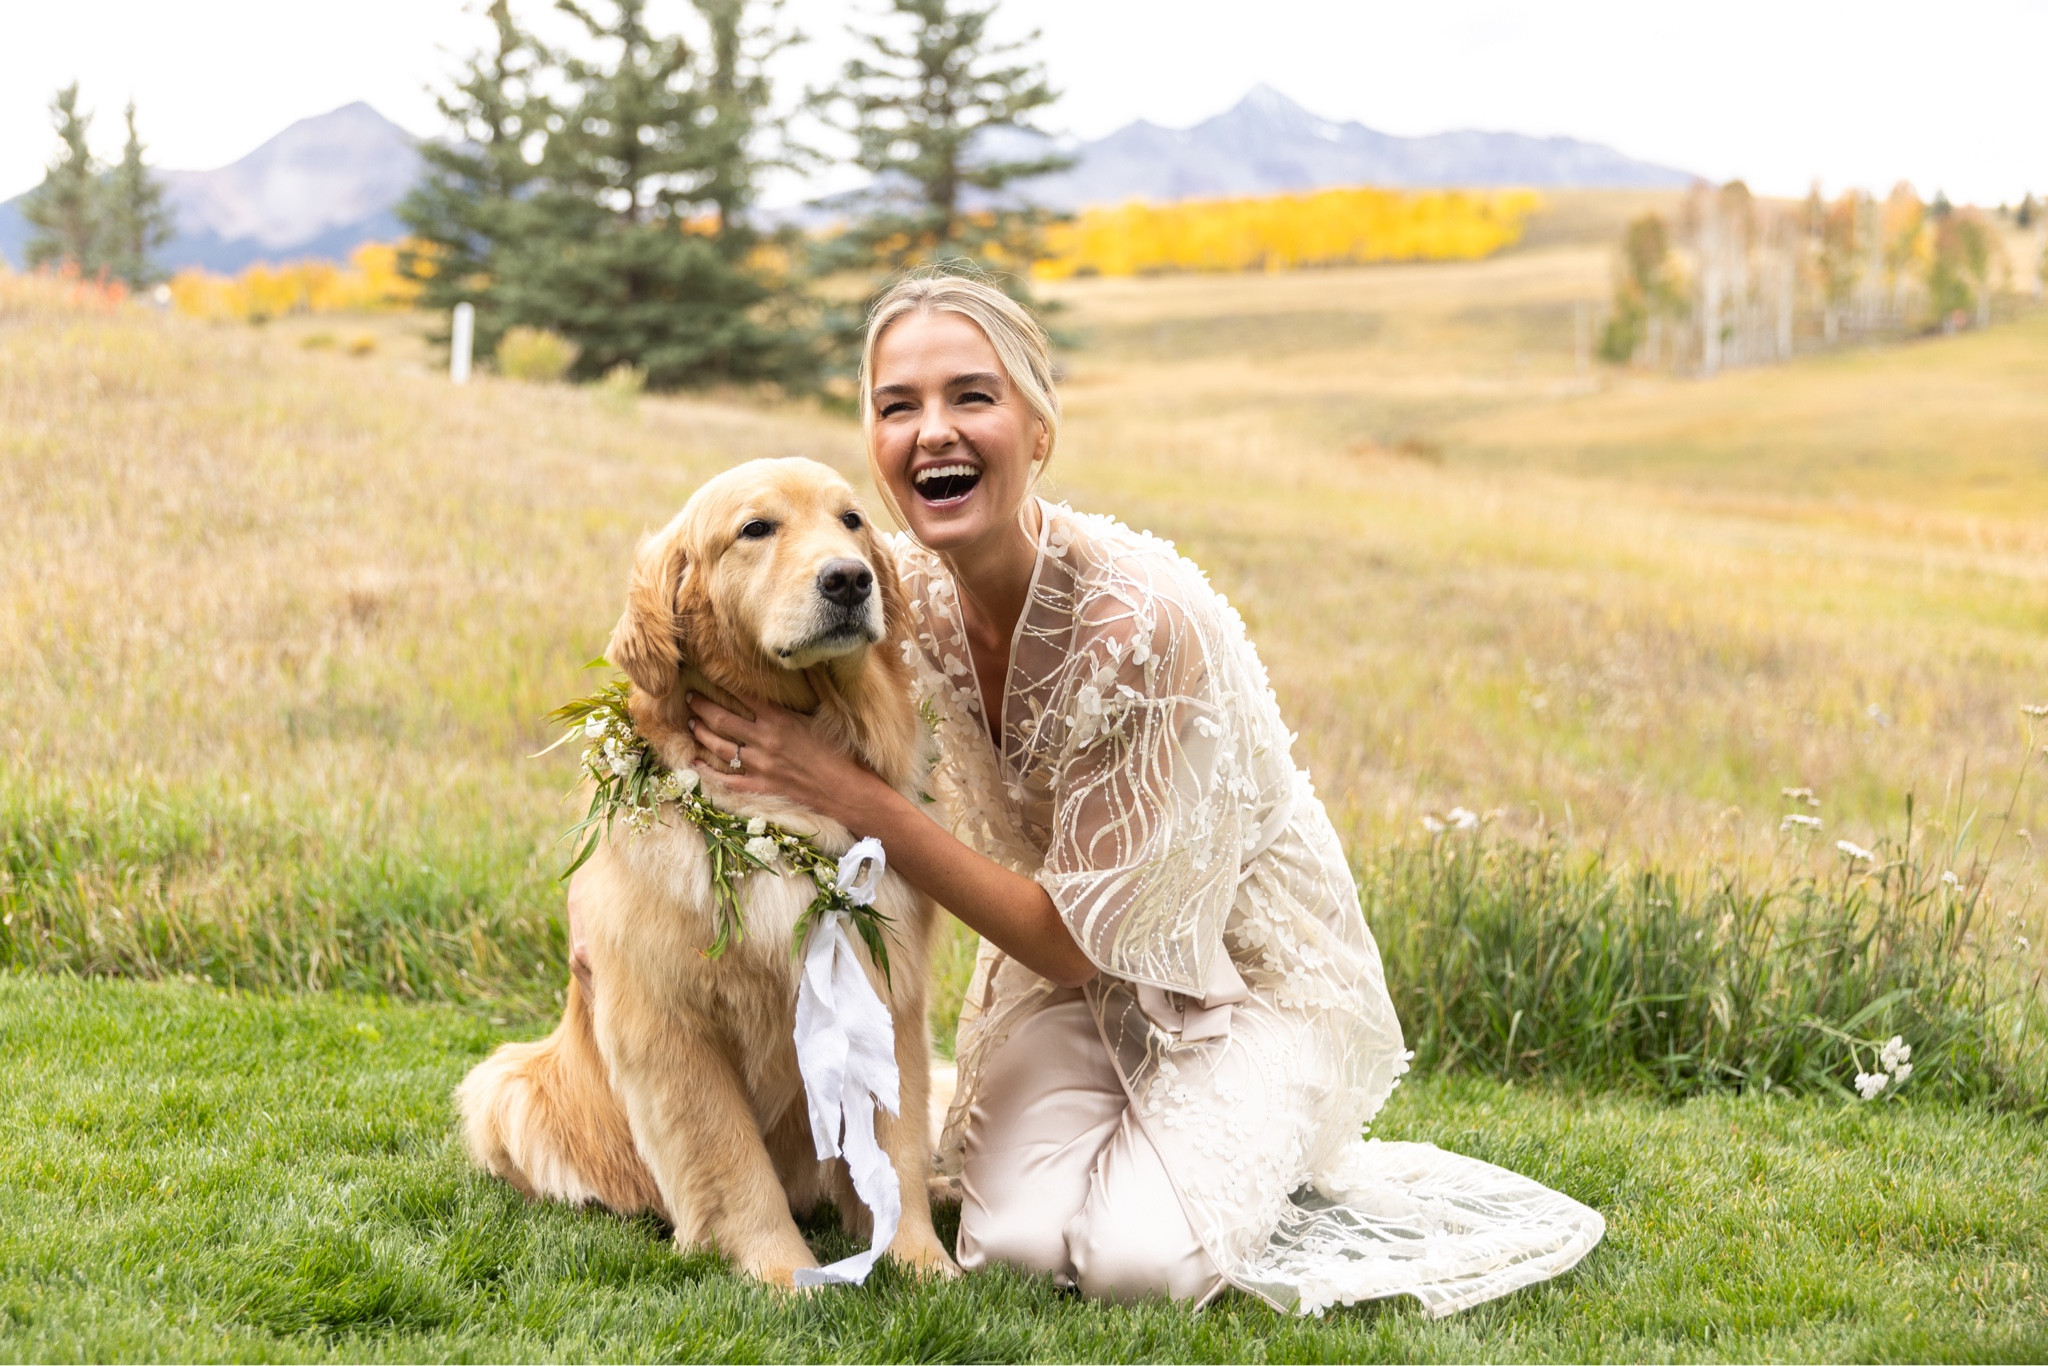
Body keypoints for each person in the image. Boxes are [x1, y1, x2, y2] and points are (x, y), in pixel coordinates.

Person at [573, 273, 1605, 1316]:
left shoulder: (1141, 625)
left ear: (1038, 426)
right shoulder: (898, 583)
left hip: (1233, 975)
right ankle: (1157, 1152)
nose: (933, 431)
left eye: (970, 397)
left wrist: (843, 791)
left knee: (1133, 1264)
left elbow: (1063, 931)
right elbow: (695, 647)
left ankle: (1232, 1148)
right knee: (1012, 1243)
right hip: (1071, 981)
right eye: (898, 406)